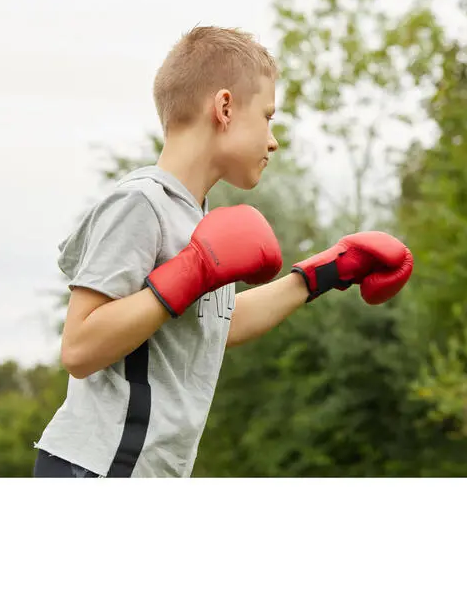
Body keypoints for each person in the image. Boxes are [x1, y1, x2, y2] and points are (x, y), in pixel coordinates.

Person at [33, 26, 414, 478]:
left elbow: (214, 326)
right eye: (268, 117)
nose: (273, 140)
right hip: (94, 467)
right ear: (225, 107)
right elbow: (79, 348)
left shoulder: (198, 218)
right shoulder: (142, 202)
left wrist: (323, 273)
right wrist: (190, 272)